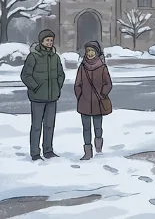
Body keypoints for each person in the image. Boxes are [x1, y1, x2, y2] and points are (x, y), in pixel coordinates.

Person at [20, 29, 65, 161]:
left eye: (51, 40)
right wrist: (35, 87)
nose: (49, 42)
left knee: (49, 125)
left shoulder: (55, 57)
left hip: (52, 98)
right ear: (41, 41)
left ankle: (48, 150)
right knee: (36, 126)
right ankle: (35, 153)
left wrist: (57, 86)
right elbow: (25, 75)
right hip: (37, 98)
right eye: (47, 40)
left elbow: (61, 74)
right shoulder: (33, 56)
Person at [74, 40, 113, 160]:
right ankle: (87, 152)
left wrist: (102, 94)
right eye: (88, 51)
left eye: (92, 51)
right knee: (86, 128)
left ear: (97, 53)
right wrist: (80, 96)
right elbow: (77, 84)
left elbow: (108, 84)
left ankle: (99, 148)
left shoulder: (102, 67)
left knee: (97, 127)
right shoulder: (82, 67)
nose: (90, 53)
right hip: (84, 103)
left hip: (98, 102)